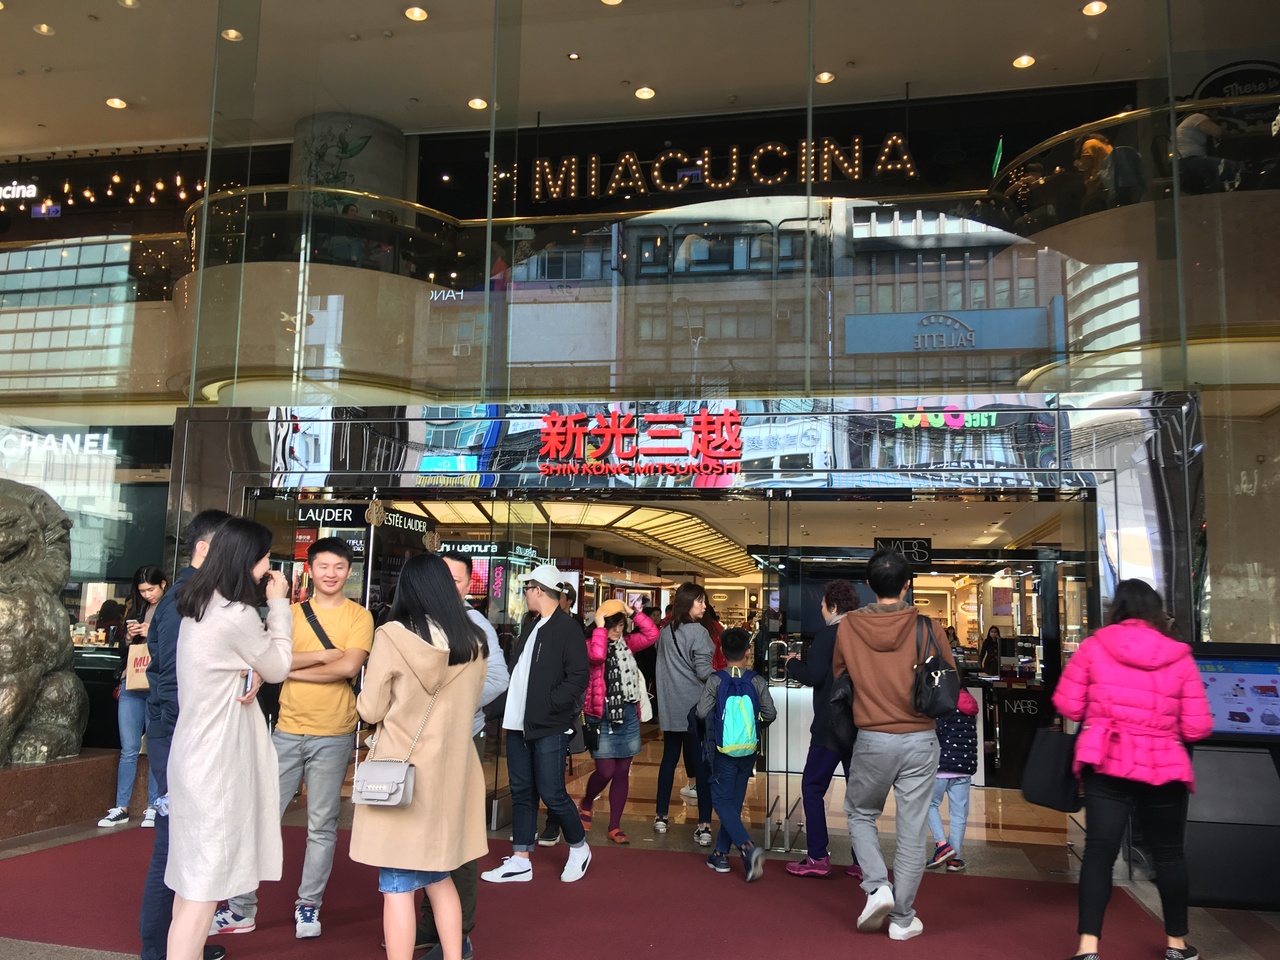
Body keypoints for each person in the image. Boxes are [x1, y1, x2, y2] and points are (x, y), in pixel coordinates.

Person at [217, 537, 374, 939]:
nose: (331, 574)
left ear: (349, 571)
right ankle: (241, 908)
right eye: (323, 566)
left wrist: (288, 667)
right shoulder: (288, 613)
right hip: (286, 730)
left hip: (334, 732)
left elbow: (347, 669)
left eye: (339, 567)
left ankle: (309, 905)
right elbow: (268, 662)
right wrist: (320, 657)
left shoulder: (360, 616)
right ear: (310, 569)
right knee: (260, 816)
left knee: (322, 826)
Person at [1052, 579, 1212, 960]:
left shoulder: (1094, 648)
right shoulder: (1179, 656)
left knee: (1099, 853)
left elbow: (1068, 705)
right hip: (1164, 767)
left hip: (1106, 762)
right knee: (1169, 855)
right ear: (1156, 611)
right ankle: (1177, 945)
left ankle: (1088, 948)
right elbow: (1196, 727)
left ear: (1116, 609)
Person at [163, 518, 294, 960]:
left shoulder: (198, 604)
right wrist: (280, 606)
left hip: (193, 754)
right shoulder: (236, 614)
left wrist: (249, 669)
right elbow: (279, 665)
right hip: (216, 763)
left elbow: (232, 664)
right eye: (265, 557)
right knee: (203, 892)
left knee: (190, 885)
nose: (268, 567)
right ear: (246, 560)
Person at [350, 553, 489, 960]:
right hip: (453, 772)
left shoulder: (393, 636)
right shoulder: (474, 641)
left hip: (402, 776)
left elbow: (371, 708)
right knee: (440, 877)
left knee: (397, 885)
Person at [832, 548, 957, 943]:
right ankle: (902, 919)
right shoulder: (928, 627)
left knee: (860, 814)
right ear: (907, 585)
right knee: (912, 828)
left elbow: (840, 677)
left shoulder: (849, 627)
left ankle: (877, 886)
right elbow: (950, 676)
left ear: (869, 584)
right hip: (920, 739)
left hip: (872, 738)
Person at [137, 509, 232, 960]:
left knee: (187, 845)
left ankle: (180, 943)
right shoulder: (183, 599)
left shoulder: (198, 595)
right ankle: (158, 949)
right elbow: (175, 681)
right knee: (172, 844)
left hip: (183, 734)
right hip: (177, 735)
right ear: (204, 548)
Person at [409, 551, 510, 960]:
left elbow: (498, 678)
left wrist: (452, 706)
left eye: (457, 579)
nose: (448, 585)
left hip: (460, 740)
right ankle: (429, 925)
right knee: (425, 835)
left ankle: (460, 933)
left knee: (458, 837)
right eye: (442, 577)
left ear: (470, 584)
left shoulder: (475, 623)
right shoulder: (416, 621)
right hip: (421, 743)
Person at [481, 564, 591, 884]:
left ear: (538, 590)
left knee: (552, 791)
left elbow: (578, 677)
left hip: (549, 725)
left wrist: (551, 706)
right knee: (522, 790)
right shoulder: (531, 626)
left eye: (527, 589)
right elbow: (516, 674)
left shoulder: (567, 628)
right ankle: (520, 858)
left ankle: (579, 847)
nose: (525, 594)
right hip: (518, 723)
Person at [783, 579, 862, 879]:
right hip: (860, 725)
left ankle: (817, 856)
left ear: (833, 606)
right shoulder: (863, 633)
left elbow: (814, 675)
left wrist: (792, 664)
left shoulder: (827, 635)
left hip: (830, 725)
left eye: (822, 606)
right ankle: (863, 861)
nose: (821, 610)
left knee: (813, 788)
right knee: (859, 795)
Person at [696, 627, 776, 882]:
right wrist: (753, 727)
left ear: (721, 651)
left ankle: (747, 848)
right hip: (748, 750)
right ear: (748, 651)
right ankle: (720, 854)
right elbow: (770, 713)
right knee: (734, 802)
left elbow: (701, 712)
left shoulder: (715, 680)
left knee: (721, 801)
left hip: (723, 750)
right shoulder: (756, 680)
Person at [577, 597, 659, 844]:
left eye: (621, 624)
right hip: (601, 715)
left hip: (628, 713)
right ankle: (587, 802)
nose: (617, 630)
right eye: (612, 625)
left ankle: (615, 826)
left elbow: (652, 634)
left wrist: (632, 613)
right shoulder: (590, 644)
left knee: (622, 771)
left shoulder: (628, 644)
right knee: (606, 770)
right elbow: (598, 656)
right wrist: (600, 627)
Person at [99, 565, 166, 829]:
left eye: (151, 589)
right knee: (128, 748)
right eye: (142, 590)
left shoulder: (171, 609)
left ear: (163, 584)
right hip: (132, 680)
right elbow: (125, 649)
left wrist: (152, 633)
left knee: (154, 748)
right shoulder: (137, 609)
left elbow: (178, 645)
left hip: (156, 684)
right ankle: (121, 807)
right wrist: (128, 636)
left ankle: (153, 805)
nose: (147, 594)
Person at [653, 582, 715, 844]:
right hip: (694, 708)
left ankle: (661, 816)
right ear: (687, 602)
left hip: (670, 706)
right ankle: (704, 825)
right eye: (700, 601)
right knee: (701, 765)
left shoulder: (665, 631)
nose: (704, 606)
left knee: (668, 760)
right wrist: (724, 679)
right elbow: (703, 671)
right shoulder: (699, 632)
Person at [925, 689, 979, 873]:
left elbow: (934, 732)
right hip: (963, 769)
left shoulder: (943, 703)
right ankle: (954, 860)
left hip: (940, 767)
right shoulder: (970, 705)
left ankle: (942, 846)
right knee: (959, 814)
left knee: (929, 804)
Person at [1175, 108, 1244, 193]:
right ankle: (1226, 194)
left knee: (1219, 167)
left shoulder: (1188, 122)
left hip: (1182, 161)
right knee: (1228, 165)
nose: (1216, 114)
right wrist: (1231, 133)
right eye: (1215, 111)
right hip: (1188, 160)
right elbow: (1217, 132)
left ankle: (1218, 192)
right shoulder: (1198, 117)